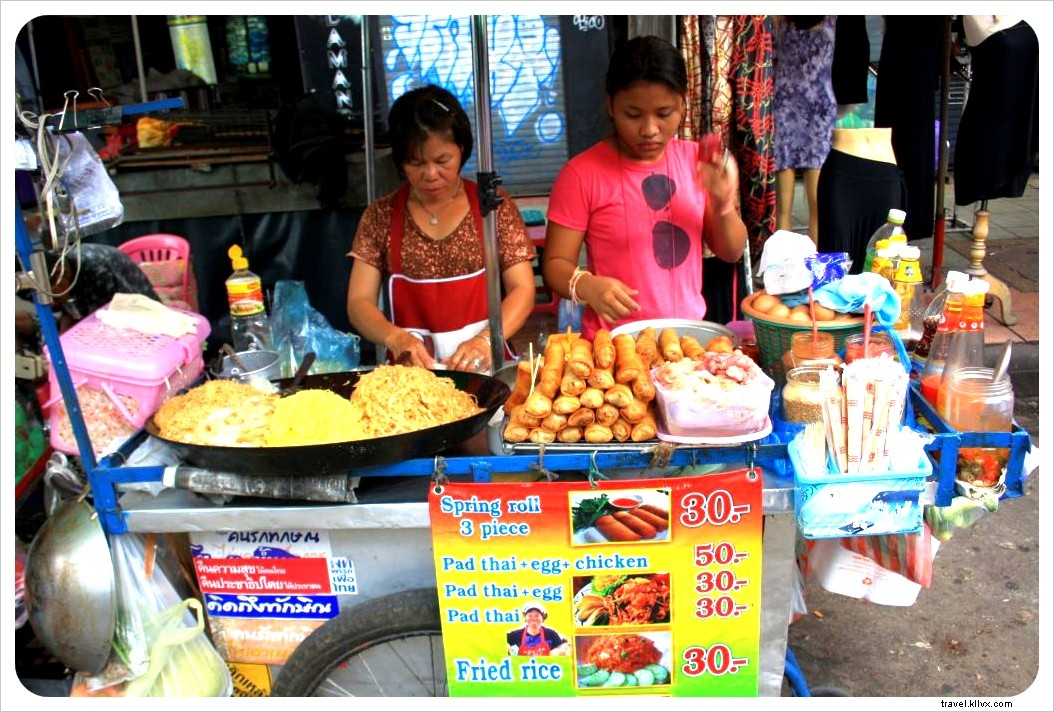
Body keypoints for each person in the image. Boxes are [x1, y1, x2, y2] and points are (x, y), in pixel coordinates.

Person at [542, 35, 747, 341]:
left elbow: (731, 252)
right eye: (633, 115)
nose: (649, 130)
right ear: (611, 105)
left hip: (688, 340)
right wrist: (587, 285)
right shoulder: (581, 174)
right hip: (615, 343)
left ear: (682, 104)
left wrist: (722, 203)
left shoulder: (696, 161)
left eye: (664, 114)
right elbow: (555, 264)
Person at [346, 85, 536, 373]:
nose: (431, 174)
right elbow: (359, 302)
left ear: (461, 149)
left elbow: (522, 288)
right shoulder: (380, 216)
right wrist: (394, 337)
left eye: (442, 160)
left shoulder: (492, 206)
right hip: (411, 375)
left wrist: (486, 340)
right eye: (416, 163)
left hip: (487, 366)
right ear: (400, 162)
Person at [772, 16, 837, 243]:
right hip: (812, 104)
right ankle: (800, 268)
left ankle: (783, 269)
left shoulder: (780, 17)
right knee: (813, 207)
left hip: (790, 103)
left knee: (791, 208)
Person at [15, 242, 161, 340]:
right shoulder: (46, 279)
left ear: (61, 273)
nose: (52, 304)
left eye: (53, 297)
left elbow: (126, 312)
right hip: (94, 313)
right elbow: (70, 312)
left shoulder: (97, 267)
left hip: (137, 309)